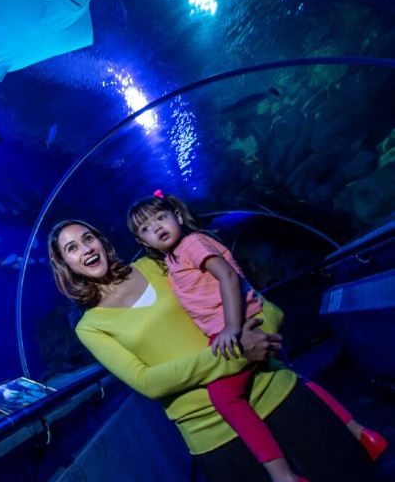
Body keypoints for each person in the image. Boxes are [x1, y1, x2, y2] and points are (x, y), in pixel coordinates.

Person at [48, 219, 378, 482]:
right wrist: (236, 352)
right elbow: (148, 381)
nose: (85, 249)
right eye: (72, 248)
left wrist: (262, 328)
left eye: (88, 238)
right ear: (66, 265)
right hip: (215, 435)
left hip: (275, 390)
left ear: (102, 242)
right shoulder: (90, 327)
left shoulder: (157, 264)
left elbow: (237, 288)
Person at [126, 191, 387, 481]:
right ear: (142, 242)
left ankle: (283, 475)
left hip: (242, 323)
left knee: (223, 397)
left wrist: (232, 327)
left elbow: (227, 277)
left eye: (161, 217)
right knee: (291, 376)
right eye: (146, 228)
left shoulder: (191, 244)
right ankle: (362, 434)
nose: (157, 227)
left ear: (176, 214)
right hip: (239, 322)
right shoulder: (172, 259)